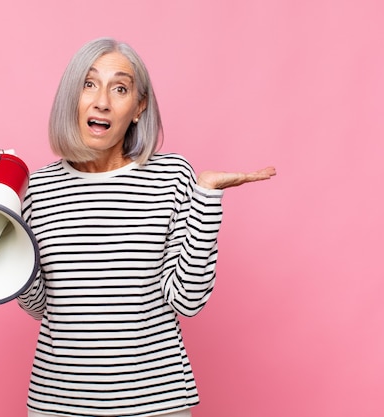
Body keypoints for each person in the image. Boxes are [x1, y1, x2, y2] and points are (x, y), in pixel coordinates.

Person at [17, 37, 276, 417]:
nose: (102, 100)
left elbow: (187, 300)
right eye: (89, 84)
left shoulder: (170, 176)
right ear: (72, 96)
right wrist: (6, 247)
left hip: (157, 404)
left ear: (138, 108)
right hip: (58, 404)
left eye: (119, 88)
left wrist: (205, 198)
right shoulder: (37, 189)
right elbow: (40, 306)